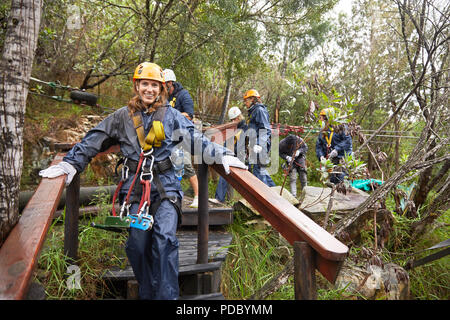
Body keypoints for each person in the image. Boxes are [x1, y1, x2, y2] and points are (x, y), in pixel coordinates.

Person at [39, 62, 247, 300]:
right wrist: (70, 163)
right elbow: (95, 138)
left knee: (164, 239)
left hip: (167, 186)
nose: (149, 89)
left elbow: (195, 139)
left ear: (161, 89)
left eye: (154, 85)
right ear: (137, 86)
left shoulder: (172, 116)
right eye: (145, 84)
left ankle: (167, 297)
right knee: (137, 244)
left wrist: (222, 155)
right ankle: (148, 292)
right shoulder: (121, 117)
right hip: (136, 191)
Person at [163, 68, 199, 208]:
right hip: (168, 135)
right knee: (171, 166)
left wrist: (172, 114)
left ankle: (197, 196)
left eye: (164, 84)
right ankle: (175, 194)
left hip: (182, 134)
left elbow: (189, 115)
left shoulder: (183, 95)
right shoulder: (165, 96)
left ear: (170, 83)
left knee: (186, 165)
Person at [213, 106, 248, 204]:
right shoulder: (233, 128)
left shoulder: (244, 129)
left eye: (233, 119)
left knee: (225, 172)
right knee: (226, 174)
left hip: (238, 156)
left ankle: (220, 198)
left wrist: (229, 153)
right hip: (231, 154)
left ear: (237, 118)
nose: (232, 121)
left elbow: (240, 145)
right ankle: (227, 199)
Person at [243, 89, 275, 187]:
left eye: (246, 100)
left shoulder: (259, 110)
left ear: (253, 99)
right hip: (255, 144)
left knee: (258, 171)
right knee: (261, 170)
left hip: (260, 145)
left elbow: (265, 129)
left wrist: (259, 144)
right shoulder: (253, 112)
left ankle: (265, 198)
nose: (245, 103)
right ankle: (276, 193)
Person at [315, 107, 352, 184]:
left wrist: (337, 149)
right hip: (331, 160)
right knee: (332, 180)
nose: (322, 120)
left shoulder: (341, 127)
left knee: (342, 180)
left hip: (342, 158)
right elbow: (319, 145)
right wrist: (321, 156)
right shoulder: (323, 130)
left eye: (324, 118)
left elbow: (347, 141)